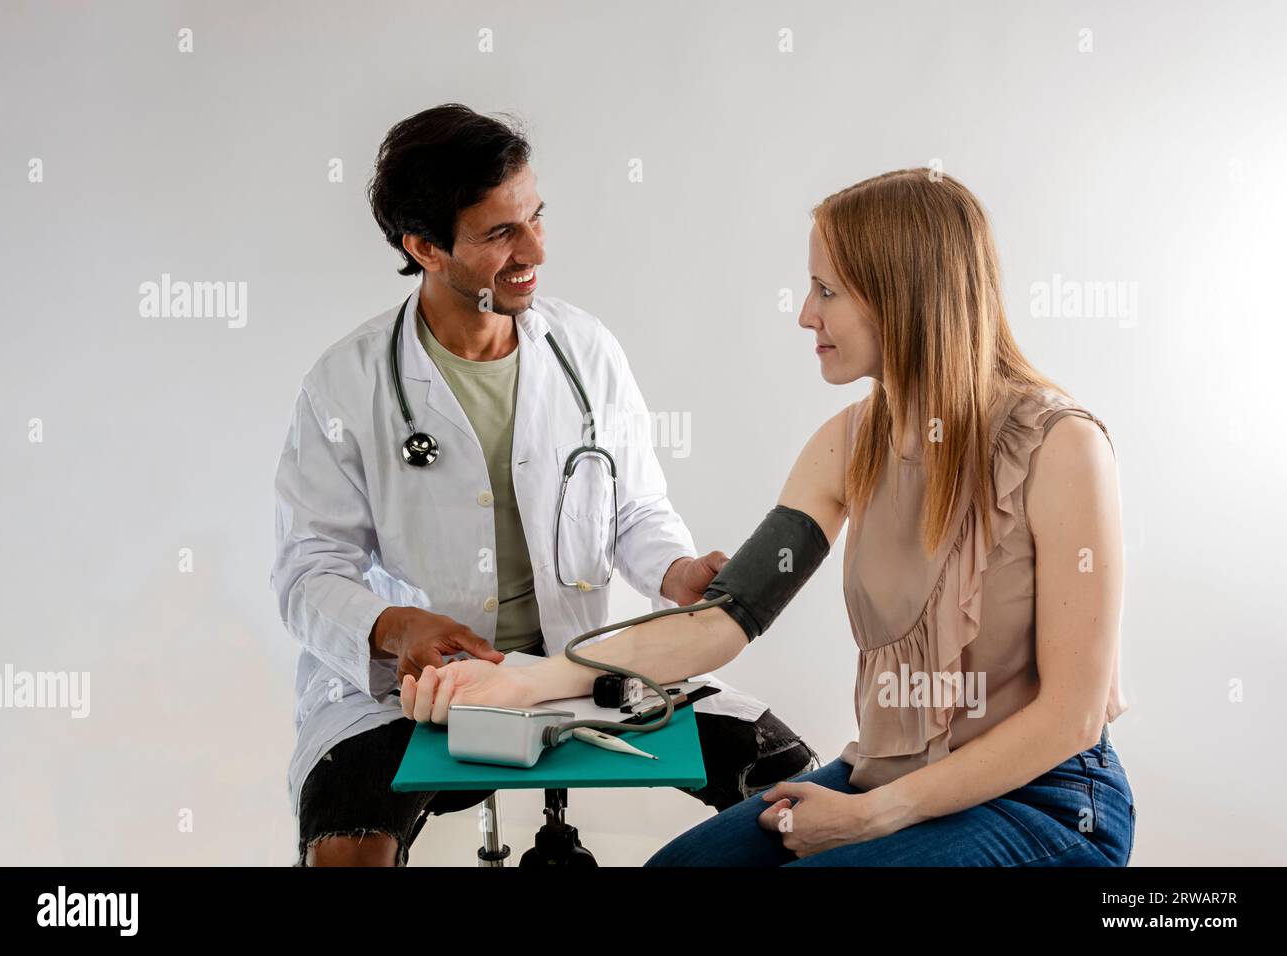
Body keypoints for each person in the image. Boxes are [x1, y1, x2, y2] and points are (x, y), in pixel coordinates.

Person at [404, 168, 1136, 866]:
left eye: (827, 290)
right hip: (883, 776)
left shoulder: (1060, 447)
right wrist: (523, 684)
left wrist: (872, 818)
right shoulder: (849, 442)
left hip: (1045, 802)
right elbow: (722, 621)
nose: (805, 313)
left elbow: (1072, 716)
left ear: (905, 296)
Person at [269, 104, 818, 867]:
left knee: (801, 799)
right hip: (412, 694)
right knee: (345, 856)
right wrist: (397, 628)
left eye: (535, 219)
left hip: (589, 669)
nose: (534, 251)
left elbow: (634, 511)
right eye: (500, 234)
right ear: (425, 246)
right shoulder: (344, 384)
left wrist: (677, 571)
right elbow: (307, 572)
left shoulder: (585, 351)